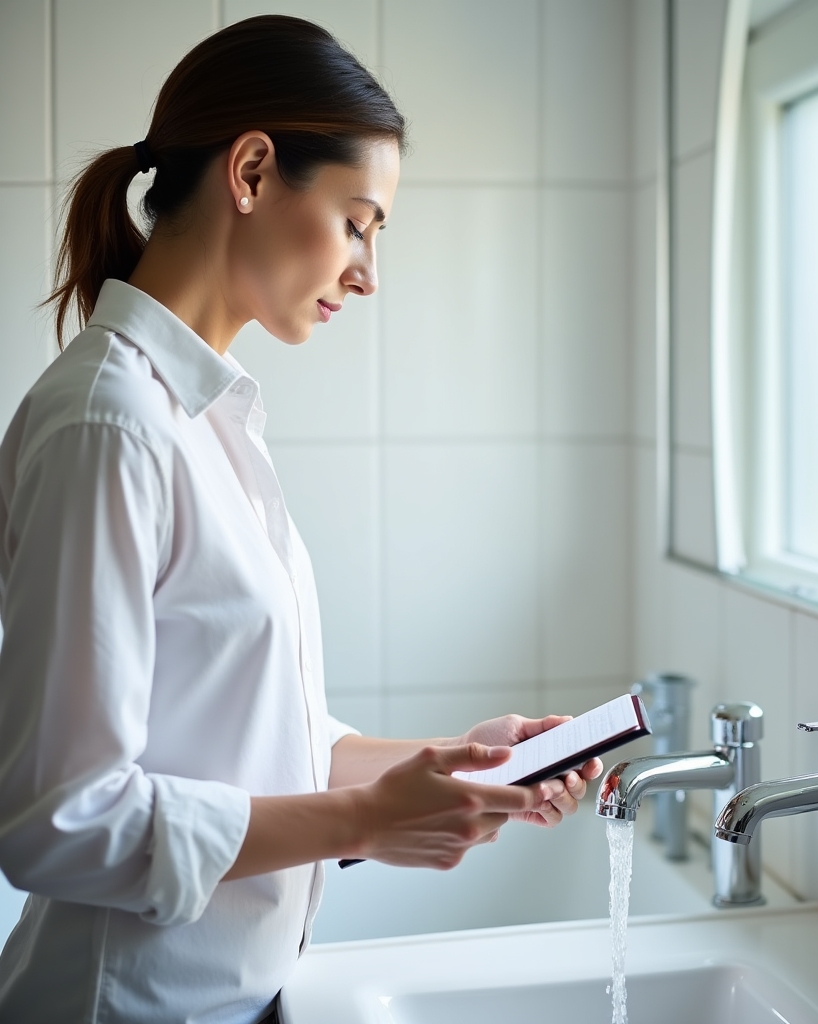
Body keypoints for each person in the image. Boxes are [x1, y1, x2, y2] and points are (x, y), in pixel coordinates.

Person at [0, 16, 601, 1024]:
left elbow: (250, 744)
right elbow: (57, 821)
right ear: (251, 171)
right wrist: (367, 817)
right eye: (359, 220)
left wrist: (454, 766)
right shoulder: (109, 423)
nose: (368, 270)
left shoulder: (204, 417)